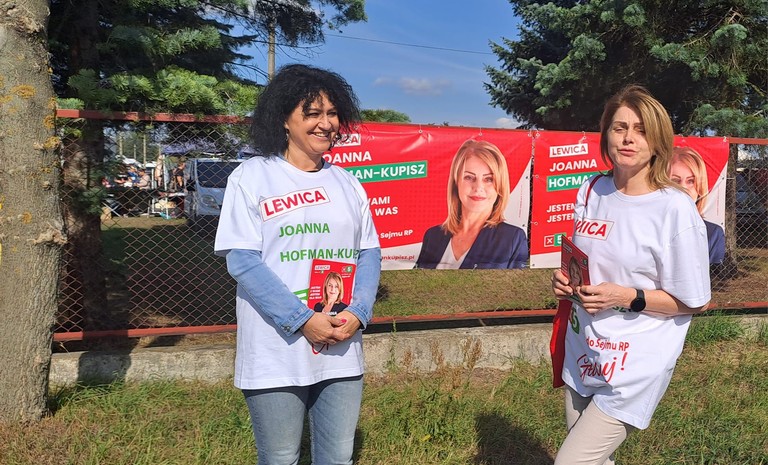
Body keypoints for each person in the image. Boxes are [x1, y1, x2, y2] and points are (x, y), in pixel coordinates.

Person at [213, 63, 381, 465]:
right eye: (312, 113)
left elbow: (369, 253)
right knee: (280, 457)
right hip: (276, 347)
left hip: (341, 343)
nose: (326, 124)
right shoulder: (252, 177)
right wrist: (302, 319)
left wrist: (358, 312)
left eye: (332, 113)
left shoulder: (347, 183)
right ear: (284, 119)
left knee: (338, 457)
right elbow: (242, 260)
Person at [550, 85, 711, 465]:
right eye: (619, 127)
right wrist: (565, 282)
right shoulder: (592, 190)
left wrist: (627, 297)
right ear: (606, 133)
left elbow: (696, 302)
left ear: (658, 142)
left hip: (635, 364)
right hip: (584, 349)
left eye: (641, 130)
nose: (628, 138)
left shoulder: (674, 208)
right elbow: (584, 263)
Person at [415, 139, 529, 269]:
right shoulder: (433, 236)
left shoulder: (512, 239)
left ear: (500, 186)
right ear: (456, 182)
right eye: (469, 177)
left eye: (488, 179)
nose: (478, 187)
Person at [669, 146, 725, 265]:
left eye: (690, 181)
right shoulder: (647, 228)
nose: (683, 188)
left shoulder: (713, 234)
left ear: (700, 186)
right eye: (675, 181)